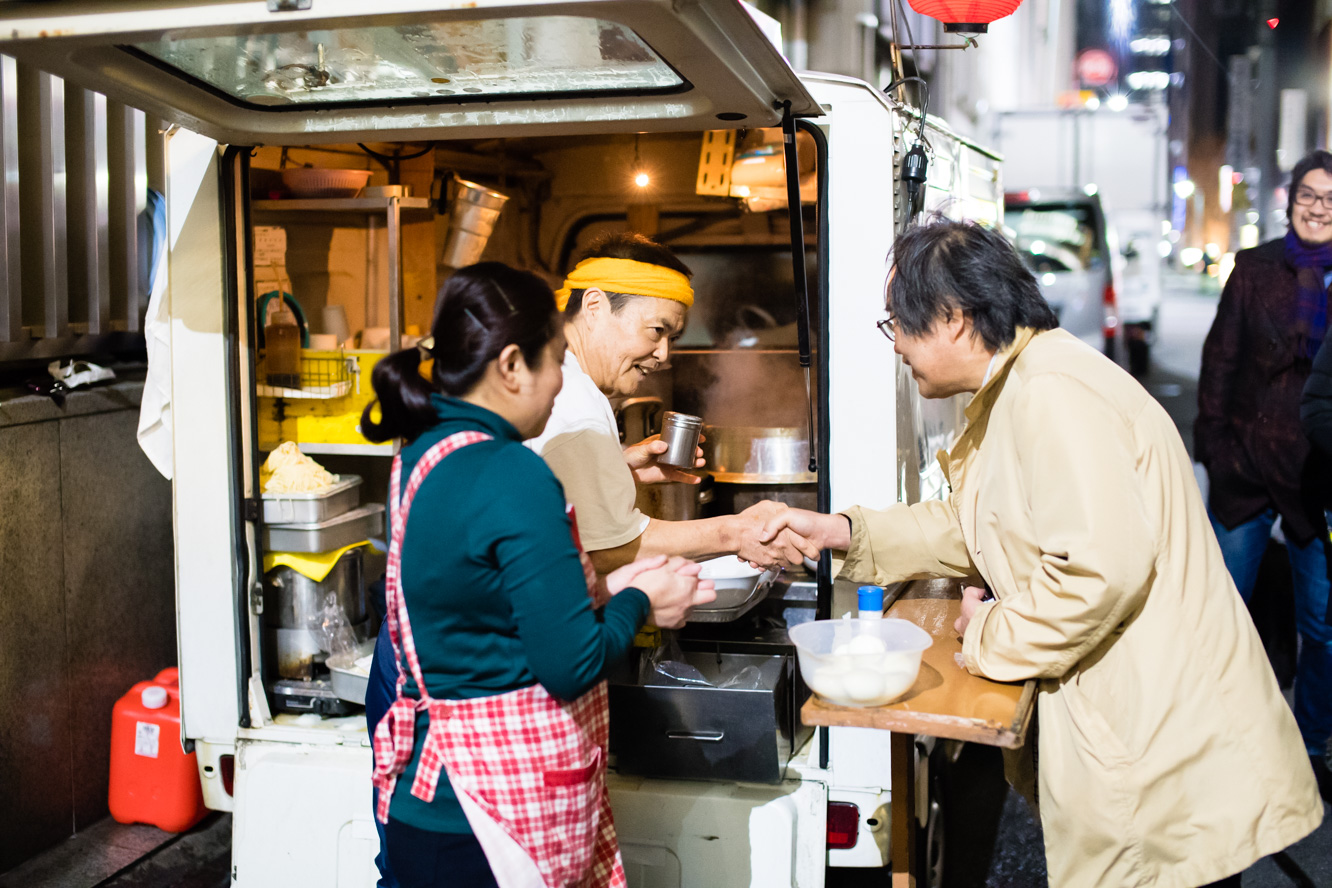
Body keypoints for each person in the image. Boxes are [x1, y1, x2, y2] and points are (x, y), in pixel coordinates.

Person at [760, 220, 1323, 888]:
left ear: (953, 319)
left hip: (1155, 746)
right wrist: (845, 533)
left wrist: (991, 631)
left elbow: (1098, 571)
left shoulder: (1054, 396)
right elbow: (980, 524)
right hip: (1147, 727)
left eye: (897, 325)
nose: (898, 347)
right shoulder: (1030, 380)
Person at [359, 262, 714, 888]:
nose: (559, 386)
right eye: (555, 362)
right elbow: (571, 663)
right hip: (491, 822)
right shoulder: (513, 475)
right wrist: (639, 598)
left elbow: (485, 599)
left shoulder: (421, 456)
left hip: (429, 799)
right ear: (512, 366)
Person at [527, 232, 810, 572]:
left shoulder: (562, 376)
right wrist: (735, 532)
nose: (663, 354)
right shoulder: (574, 398)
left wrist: (617, 470)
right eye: (656, 331)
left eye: (672, 338)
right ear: (594, 306)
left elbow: (551, 500)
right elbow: (604, 548)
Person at [1197, 149, 1332, 801]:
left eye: (1331, 200)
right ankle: (1221, 735)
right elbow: (1219, 361)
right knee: (1224, 614)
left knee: (1324, 625)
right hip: (1247, 468)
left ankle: (1310, 745)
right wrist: (1217, 451)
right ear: (1290, 200)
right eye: (1309, 195)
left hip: (1319, 476)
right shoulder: (1254, 270)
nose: (1318, 208)